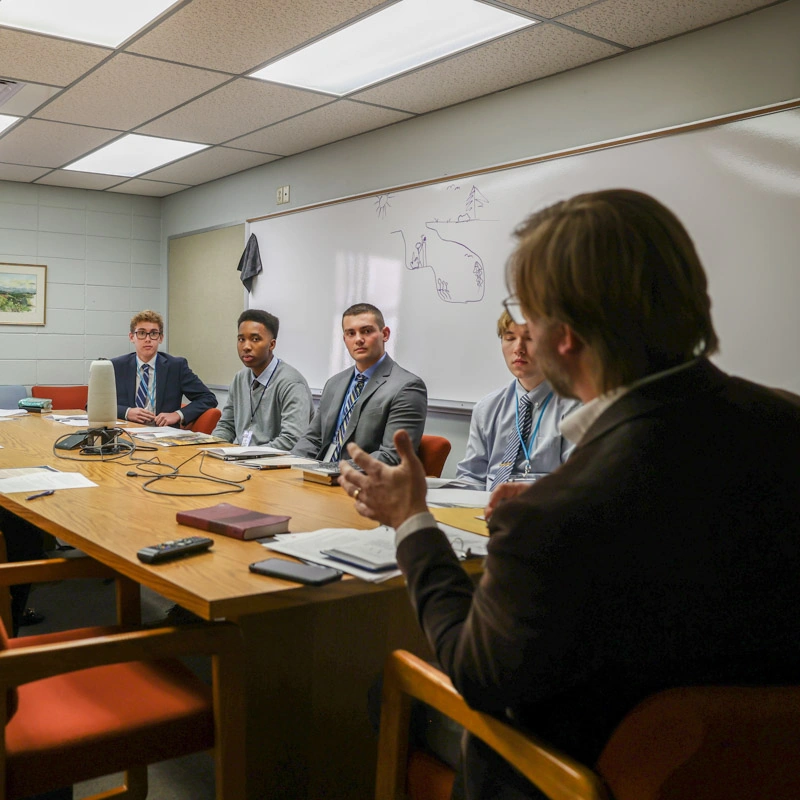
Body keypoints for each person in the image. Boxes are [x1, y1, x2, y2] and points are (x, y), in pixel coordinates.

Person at [340, 189, 800, 800]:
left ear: (562, 335)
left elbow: (477, 674)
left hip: (573, 774)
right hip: (764, 765)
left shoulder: (557, 514)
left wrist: (411, 521)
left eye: (525, 315)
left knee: (384, 688)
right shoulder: (788, 422)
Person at [456, 310, 580, 489]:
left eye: (529, 338)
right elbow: (471, 476)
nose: (518, 349)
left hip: (542, 511)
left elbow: (575, 484)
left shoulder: (574, 407)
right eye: (510, 338)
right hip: (484, 510)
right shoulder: (487, 408)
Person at [292, 302, 427, 465]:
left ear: (385, 334)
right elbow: (313, 439)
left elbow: (393, 457)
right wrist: (289, 466)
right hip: (320, 477)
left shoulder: (407, 387)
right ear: (344, 339)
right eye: (351, 333)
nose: (358, 339)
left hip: (365, 483)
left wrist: (332, 470)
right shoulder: (334, 383)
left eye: (367, 331)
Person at [213, 309, 313, 448]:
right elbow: (226, 426)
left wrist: (245, 456)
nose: (246, 346)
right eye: (241, 339)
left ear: (272, 344)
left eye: (255, 339)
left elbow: (292, 440)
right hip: (242, 461)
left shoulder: (291, 383)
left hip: (276, 465)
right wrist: (213, 447)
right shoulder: (240, 378)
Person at [111, 310, 217, 426]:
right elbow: (92, 405)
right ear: (132, 337)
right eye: (141, 333)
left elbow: (208, 398)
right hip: (126, 433)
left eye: (153, 333)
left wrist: (177, 414)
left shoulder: (176, 367)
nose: (148, 339)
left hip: (162, 434)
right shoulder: (116, 366)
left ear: (160, 338)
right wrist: (127, 412)